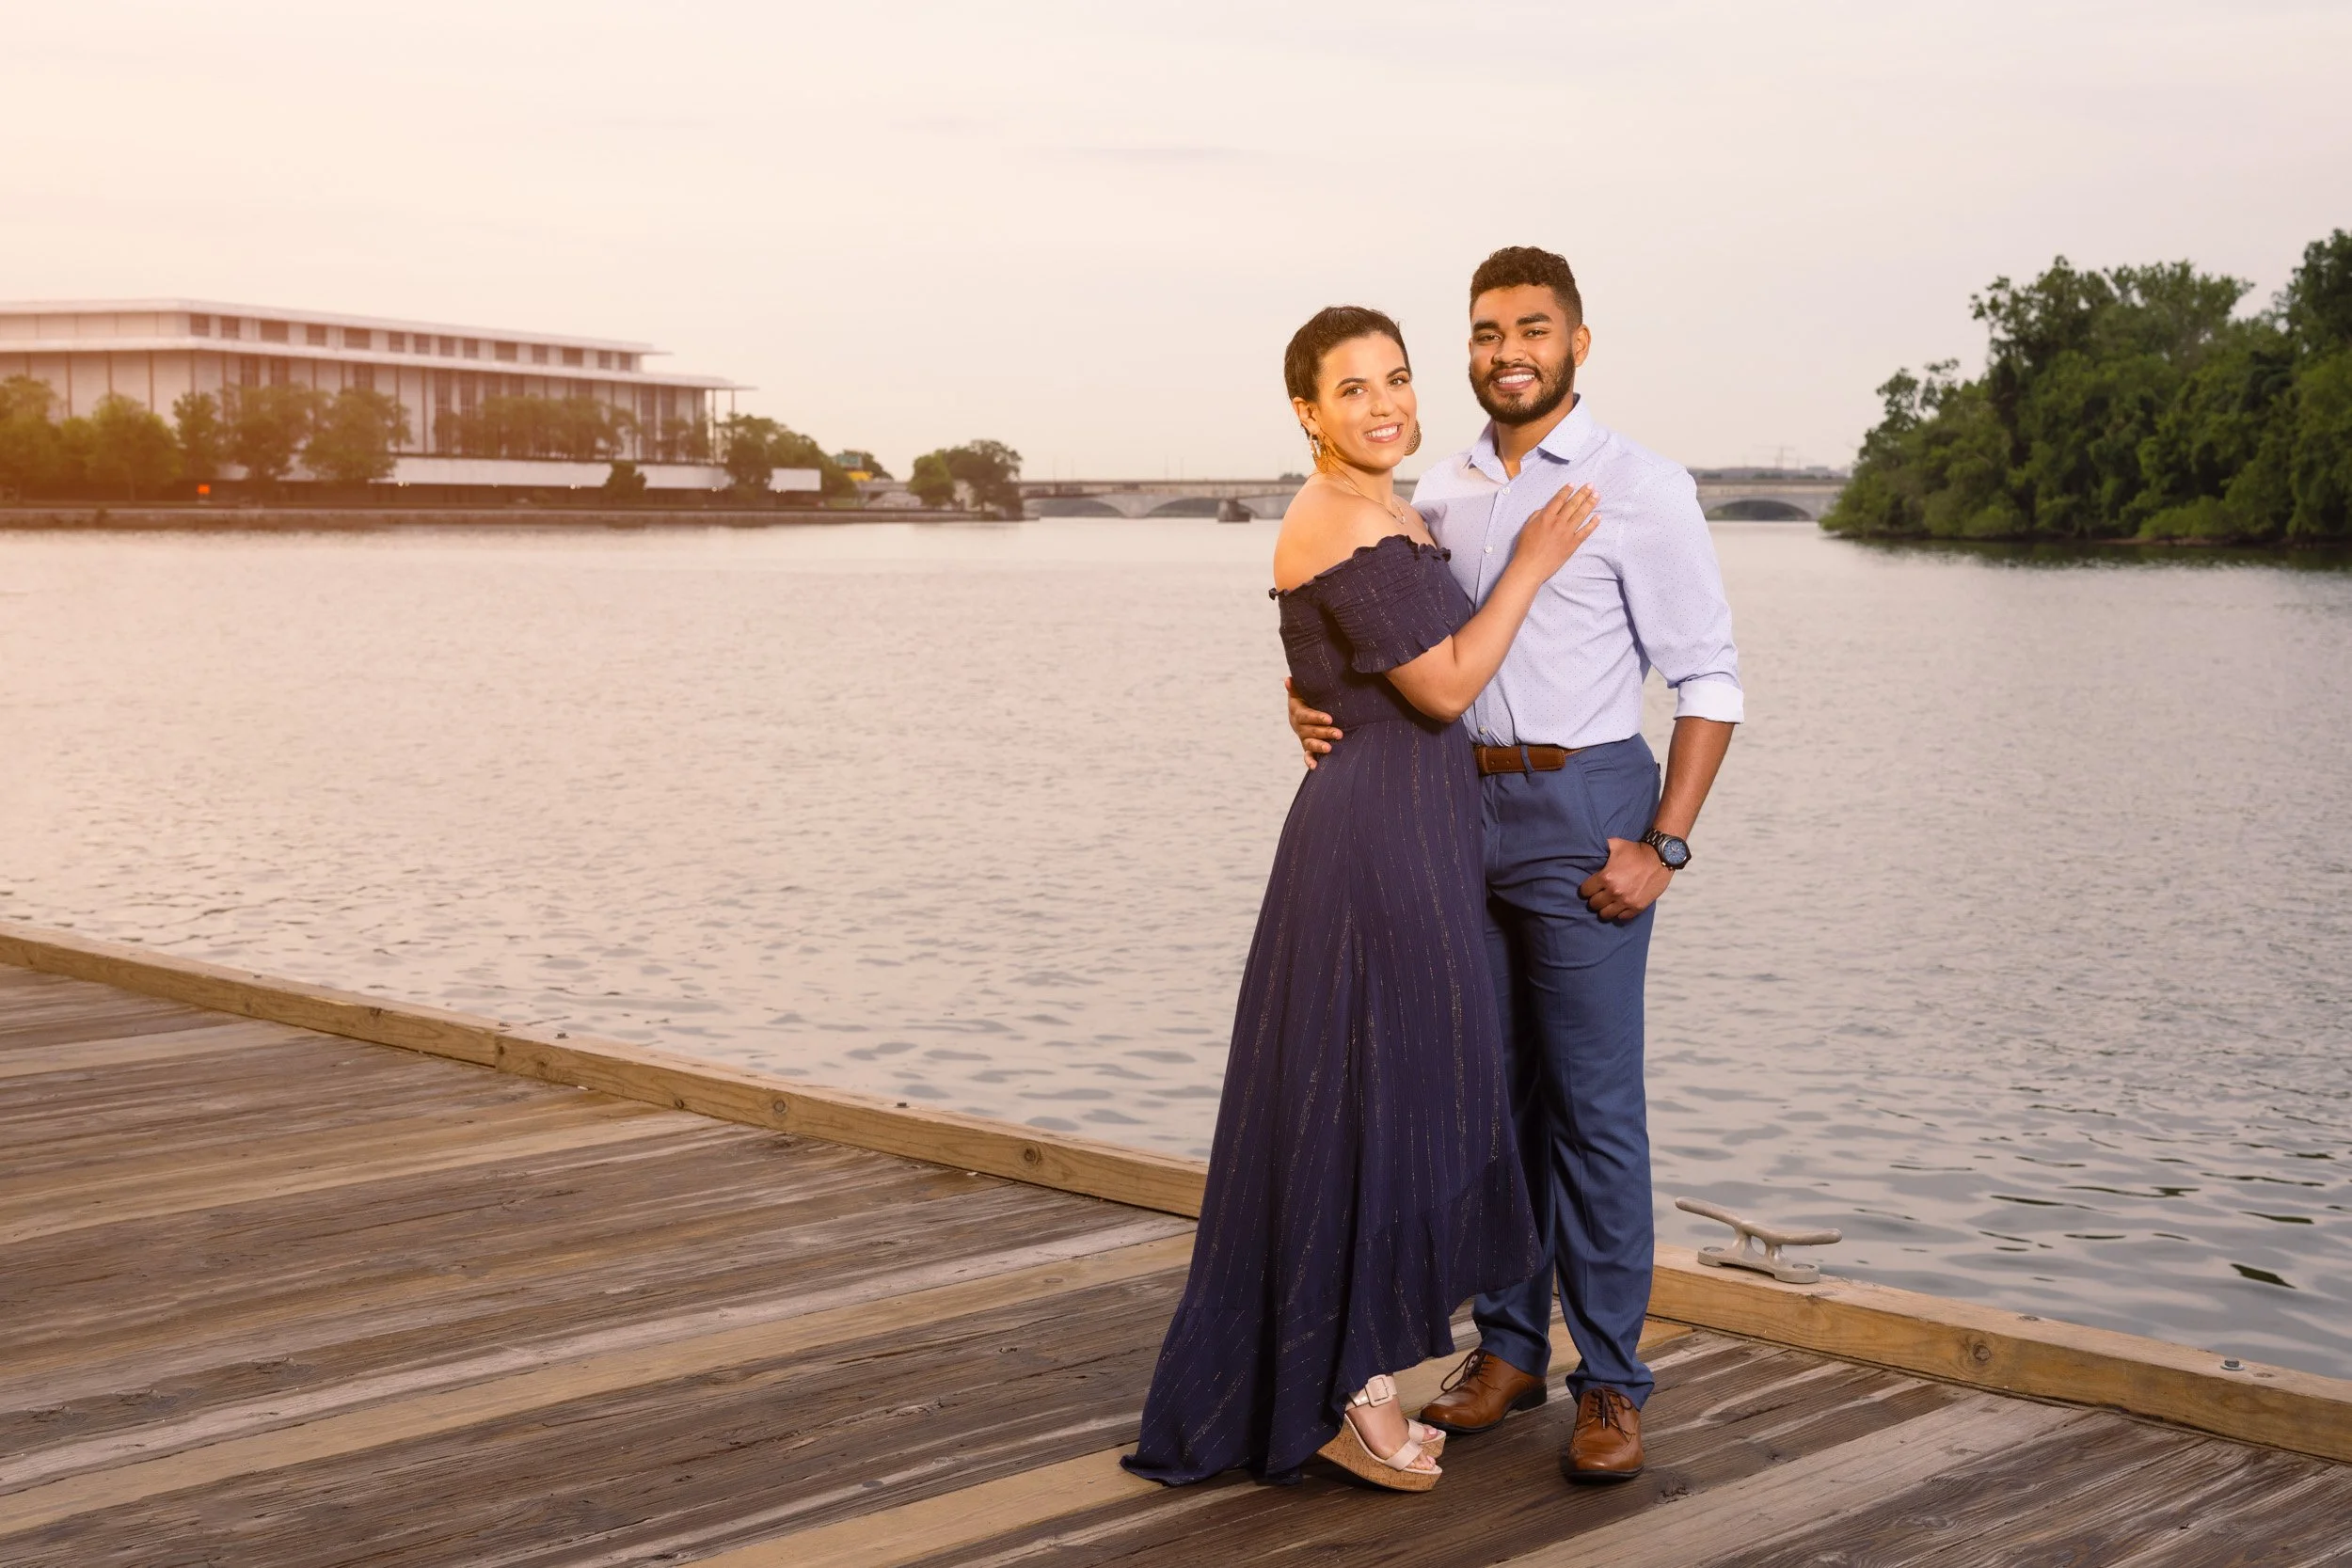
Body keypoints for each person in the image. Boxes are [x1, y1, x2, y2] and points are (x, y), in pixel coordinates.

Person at [1122, 305, 1601, 1492]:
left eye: (1395, 377)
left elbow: (1325, 653)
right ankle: (1354, 1394)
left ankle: (1352, 1376)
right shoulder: (1336, 512)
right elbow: (1439, 686)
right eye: (1352, 389)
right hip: (1375, 844)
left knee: (1388, 1098)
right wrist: (1534, 562)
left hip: (1414, 828)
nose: (1385, 403)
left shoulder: (1392, 505)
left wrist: (1303, 691)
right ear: (1306, 411)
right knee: (1361, 1107)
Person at [1288, 246, 1741, 1483]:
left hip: (1583, 804)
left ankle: (1609, 1379)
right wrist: (1306, 694)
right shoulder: (1436, 487)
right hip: (1446, 813)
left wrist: (1667, 843)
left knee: (1593, 1110)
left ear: (1578, 342)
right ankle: (1506, 1346)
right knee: (1485, 1103)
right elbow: (1380, 630)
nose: (1508, 352)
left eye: (1533, 329)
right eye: (1487, 332)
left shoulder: (1639, 485)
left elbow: (1709, 680)